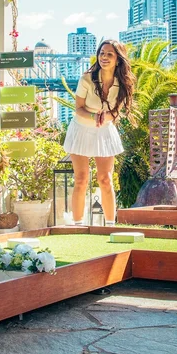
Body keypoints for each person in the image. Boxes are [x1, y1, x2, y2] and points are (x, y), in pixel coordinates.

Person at [63, 39, 135, 226]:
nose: (104, 57)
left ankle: (110, 225)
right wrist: (94, 117)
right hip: (81, 129)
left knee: (105, 179)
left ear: (118, 59)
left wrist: (106, 119)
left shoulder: (123, 83)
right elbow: (78, 108)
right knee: (81, 179)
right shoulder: (86, 79)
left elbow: (116, 111)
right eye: (102, 53)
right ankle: (78, 225)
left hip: (104, 131)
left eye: (109, 54)